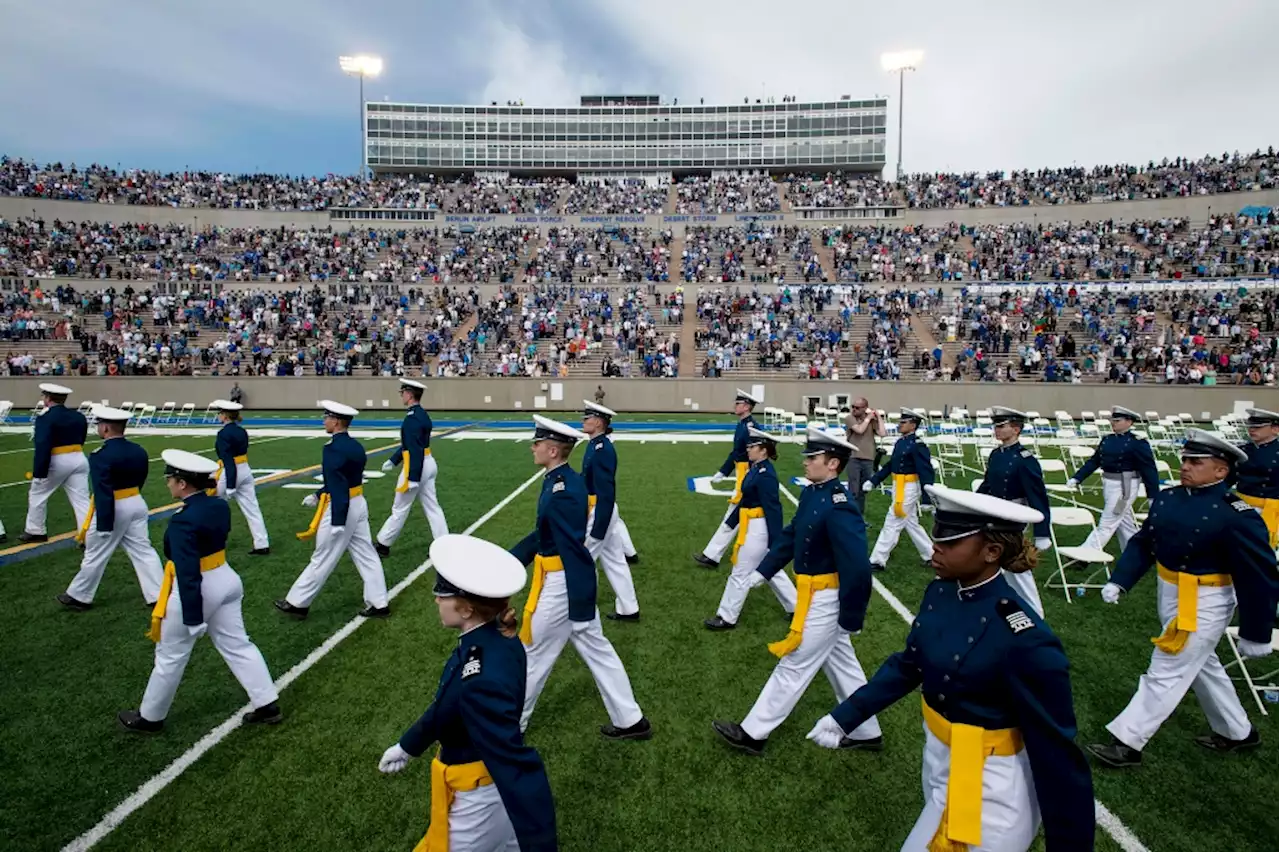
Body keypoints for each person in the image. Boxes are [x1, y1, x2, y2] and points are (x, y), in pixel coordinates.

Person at [806, 485, 1096, 851]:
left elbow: (1057, 752)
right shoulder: (941, 591)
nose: (934, 548)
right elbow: (910, 665)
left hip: (994, 788)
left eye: (950, 541)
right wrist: (846, 716)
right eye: (937, 536)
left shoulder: (1024, 637)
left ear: (991, 551)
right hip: (941, 761)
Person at [1086, 429, 1279, 768]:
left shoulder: (1237, 514)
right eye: (1185, 459)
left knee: (1167, 667)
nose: (1185, 466)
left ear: (1221, 471)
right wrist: (1121, 580)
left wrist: (1256, 631)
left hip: (1206, 598)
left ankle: (1127, 741)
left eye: (1196, 462)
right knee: (1203, 663)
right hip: (1169, 590)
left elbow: (1258, 575)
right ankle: (1238, 731)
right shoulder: (1170, 498)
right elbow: (1145, 543)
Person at [377, 534, 558, 852]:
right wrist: (409, 745)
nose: (436, 600)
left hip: (478, 799)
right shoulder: (493, 639)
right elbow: (451, 702)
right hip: (488, 791)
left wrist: (542, 842)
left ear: (465, 609)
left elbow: (513, 761)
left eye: (442, 595)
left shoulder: (482, 673)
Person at [712, 426, 882, 756]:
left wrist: (851, 616)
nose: (805, 462)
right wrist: (764, 571)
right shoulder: (812, 493)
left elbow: (857, 567)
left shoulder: (840, 504)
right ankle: (866, 730)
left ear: (833, 464)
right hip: (812, 593)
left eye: (812, 457)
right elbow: (791, 535)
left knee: (794, 663)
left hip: (827, 599)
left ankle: (752, 732)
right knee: (843, 666)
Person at [118, 449, 280, 733]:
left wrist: (192, 617)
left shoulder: (183, 519)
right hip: (226, 577)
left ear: (182, 484)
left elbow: (188, 571)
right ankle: (267, 702)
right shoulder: (217, 505)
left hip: (200, 586)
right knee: (238, 644)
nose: (168, 483)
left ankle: (151, 717)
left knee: (170, 655)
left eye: (171, 479)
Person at [512, 415, 651, 740]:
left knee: (532, 653)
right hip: (567, 582)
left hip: (564, 587)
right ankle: (631, 721)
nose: (533, 447)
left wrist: (580, 600)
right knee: (598, 651)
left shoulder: (562, 489)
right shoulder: (559, 480)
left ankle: (509, 727)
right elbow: (543, 534)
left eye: (538, 443)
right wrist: (512, 559)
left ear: (553, 451)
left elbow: (573, 551)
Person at [276, 401, 390, 619]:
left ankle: (298, 602)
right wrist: (319, 494)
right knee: (367, 555)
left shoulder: (332, 449)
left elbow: (338, 485)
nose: (324, 421)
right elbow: (342, 479)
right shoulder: (356, 446)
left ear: (336, 422)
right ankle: (379, 602)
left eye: (327, 417)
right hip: (358, 503)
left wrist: (337, 521)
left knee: (323, 555)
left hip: (342, 507)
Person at [59, 405, 163, 611]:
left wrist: (105, 524)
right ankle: (158, 594)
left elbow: (103, 490)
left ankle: (80, 596)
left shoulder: (101, 455)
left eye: (99, 425)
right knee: (143, 550)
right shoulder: (138, 450)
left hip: (114, 506)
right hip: (135, 500)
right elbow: (141, 479)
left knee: (95, 552)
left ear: (106, 428)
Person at [704, 427, 797, 630]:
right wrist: (731, 522)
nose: (748, 449)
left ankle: (727, 616)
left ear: (763, 450)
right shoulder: (756, 468)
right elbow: (746, 500)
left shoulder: (765, 475)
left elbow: (773, 509)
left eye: (752, 446)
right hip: (752, 523)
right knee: (770, 569)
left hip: (758, 528)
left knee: (740, 572)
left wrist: (775, 542)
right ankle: (797, 607)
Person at [976, 406, 1053, 617]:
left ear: (1016, 429)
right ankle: (1001, 603)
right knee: (993, 560)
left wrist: (1042, 531)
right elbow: (988, 484)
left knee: (1015, 564)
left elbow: (1038, 497)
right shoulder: (996, 454)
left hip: (1013, 514)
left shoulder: (1024, 459)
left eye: (1002, 426)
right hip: (993, 511)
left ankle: (1035, 612)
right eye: (996, 426)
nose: (996, 430)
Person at [1066, 406, 1160, 554]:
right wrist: (1077, 478)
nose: (1113, 423)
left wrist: (1153, 495)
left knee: (1108, 521)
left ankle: (1085, 553)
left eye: (1117, 420)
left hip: (1125, 487)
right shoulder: (1107, 439)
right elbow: (1094, 461)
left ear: (1129, 422)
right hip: (1109, 483)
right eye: (1113, 420)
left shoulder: (1137, 443)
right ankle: (1137, 552)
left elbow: (1149, 470)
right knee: (1124, 522)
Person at [580, 401, 640, 621]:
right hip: (601, 510)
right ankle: (629, 608)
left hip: (600, 512)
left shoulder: (602, 449)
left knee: (582, 558)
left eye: (587, 418)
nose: (583, 421)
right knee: (615, 561)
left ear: (598, 422)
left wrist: (598, 528)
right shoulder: (595, 444)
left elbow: (606, 491)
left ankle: (580, 605)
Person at [376, 379, 448, 557]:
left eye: (402, 393)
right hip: (428, 462)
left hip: (417, 466)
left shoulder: (411, 419)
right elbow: (412, 445)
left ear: (409, 394)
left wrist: (413, 477)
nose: (401, 396)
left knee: (400, 508)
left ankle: (383, 544)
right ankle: (444, 542)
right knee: (433, 507)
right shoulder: (422, 414)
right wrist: (394, 460)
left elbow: (414, 449)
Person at [693, 389, 759, 568]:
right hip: (742, 472)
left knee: (733, 516)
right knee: (740, 518)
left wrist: (750, 478)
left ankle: (712, 555)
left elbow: (758, 455)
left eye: (738, 403)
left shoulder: (751, 427)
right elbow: (736, 452)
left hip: (748, 475)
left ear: (746, 407)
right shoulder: (743, 425)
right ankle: (713, 555)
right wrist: (724, 471)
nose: (735, 406)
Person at [866, 409, 935, 571]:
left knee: (893, 522)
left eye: (903, 422)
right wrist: (874, 480)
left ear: (913, 425)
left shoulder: (918, 445)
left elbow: (926, 471)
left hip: (909, 487)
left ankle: (877, 560)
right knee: (911, 523)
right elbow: (891, 465)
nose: (900, 425)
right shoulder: (901, 442)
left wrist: (926, 498)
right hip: (899, 485)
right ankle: (932, 554)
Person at [22, 382, 90, 543]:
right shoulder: (78, 416)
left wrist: (39, 471)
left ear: (47, 398)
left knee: (38, 494)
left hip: (57, 459)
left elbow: (43, 445)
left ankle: (35, 530)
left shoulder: (45, 418)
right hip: (78, 456)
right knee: (81, 499)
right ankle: (88, 534)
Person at [209, 399, 270, 555]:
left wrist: (230, 485)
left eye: (219, 413)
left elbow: (228, 460)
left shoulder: (223, 433)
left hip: (231, 472)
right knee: (252, 509)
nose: (218, 416)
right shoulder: (241, 431)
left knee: (211, 504)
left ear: (225, 416)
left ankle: (214, 541)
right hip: (245, 469)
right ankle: (262, 543)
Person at [1234, 407, 1280, 549]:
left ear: (1275, 429)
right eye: (1251, 426)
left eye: (1258, 427)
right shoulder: (1241, 451)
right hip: (1241, 505)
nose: (1252, 430)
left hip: (1269, 508)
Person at [844, 397, 885, 518]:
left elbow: (882, 433)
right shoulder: (850, 418)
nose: (854, 409)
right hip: (854, 457)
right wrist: (868, 418)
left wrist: (878, 417)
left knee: (863, 490)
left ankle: (859, 516)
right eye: (853, 406)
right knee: (853, 489)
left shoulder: (870, 420)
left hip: (868, 458)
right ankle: (850, 515)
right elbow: (859, 430)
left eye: (857, 407)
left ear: (864, 409)